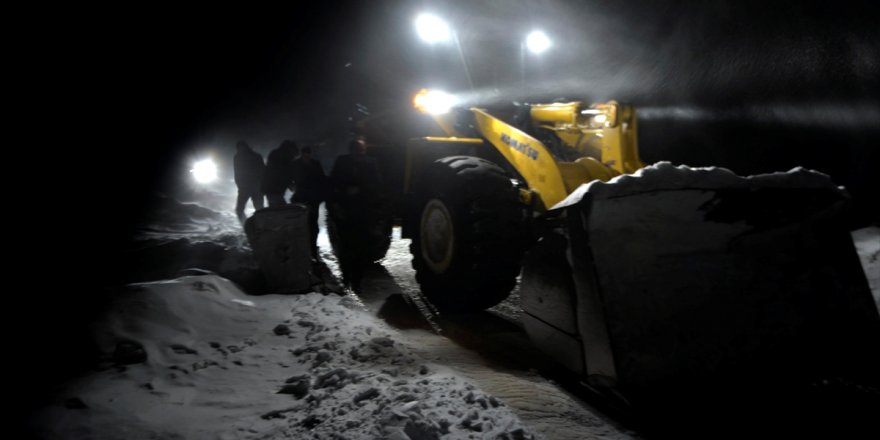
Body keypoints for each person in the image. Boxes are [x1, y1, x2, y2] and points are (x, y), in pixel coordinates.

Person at [291, 146, 327, 258]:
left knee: (312, 223)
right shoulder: (296, 164)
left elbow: (321, 179)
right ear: (302, 154)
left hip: (312, 197)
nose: (307, 156)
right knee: (301, 222)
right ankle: (304, 246)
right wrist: (291, 186)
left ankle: (312, 246)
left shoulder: (315, 164)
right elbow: (290, 177)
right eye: (305, 154)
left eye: (308, 154)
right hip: (301, 196)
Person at [233, 140, 265, 222]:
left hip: (251, 187)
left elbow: (263, 171)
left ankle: (249, 227)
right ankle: (253, 227)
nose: (239, 150)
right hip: (250, 187)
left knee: (258, 209)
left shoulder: (238, 157)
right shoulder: (255, 156)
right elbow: (237, 173)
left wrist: (240, 184)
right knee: (259, 209)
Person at [262, 140, 299, 207]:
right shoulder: (286, 158)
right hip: (274, 188)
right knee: (280, 208)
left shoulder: (275, 154)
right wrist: (291, 184)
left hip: (270, 187)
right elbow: (283, 173)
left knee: (275, 208)